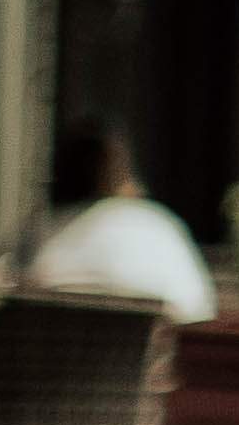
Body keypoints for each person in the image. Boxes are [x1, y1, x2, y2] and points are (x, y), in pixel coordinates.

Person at [15, 119, 216, 320]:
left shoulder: (50, 233)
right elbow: (198, 308)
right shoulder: (158, 224)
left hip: (64, 343)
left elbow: (30, 293)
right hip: (162, 342)